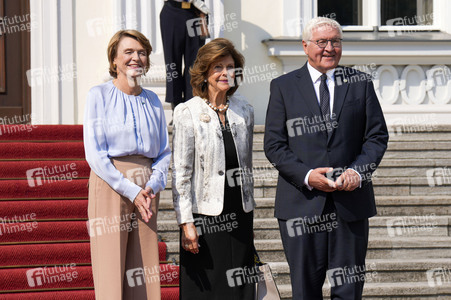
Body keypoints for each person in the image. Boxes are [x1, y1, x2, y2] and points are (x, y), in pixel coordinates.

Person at [264, 17, 389, 300]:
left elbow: (376, 137)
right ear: (306, 46)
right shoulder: (283, 86)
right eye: (322, 42)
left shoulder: (360, 83)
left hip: (350, 203)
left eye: (335, 41)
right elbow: (274, 144)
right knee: (305, 290)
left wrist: (357, 172)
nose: (329, 48)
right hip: (301, 204)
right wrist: (308, 176)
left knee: (349, 290)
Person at [83, 29, 171, 300]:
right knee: (111, 267)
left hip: (147, 187)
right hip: (111, 183)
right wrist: (130, 190)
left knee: (144, 267)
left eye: (142, 52)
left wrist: (153, 184)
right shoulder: (98, 95)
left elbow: (164, 151)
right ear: (114, 60)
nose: (136, 58)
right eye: (129, 52)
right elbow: (94, 152)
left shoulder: (153, 100)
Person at [172, 38, 256, 299]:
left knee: (240, 288)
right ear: (205, 73)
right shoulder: (188, 111)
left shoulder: (244, 110)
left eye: (230, 67)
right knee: (207, 289)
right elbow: (181, 173)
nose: (225, 73)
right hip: (205, 216)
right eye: (217, 67)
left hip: (240, 213)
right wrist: (186, 223)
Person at [160, 0, 210, 110]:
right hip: (172, 12)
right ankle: (177, 110)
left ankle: (192, 108)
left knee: (195, 64)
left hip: (196, 13)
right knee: (172, 63)